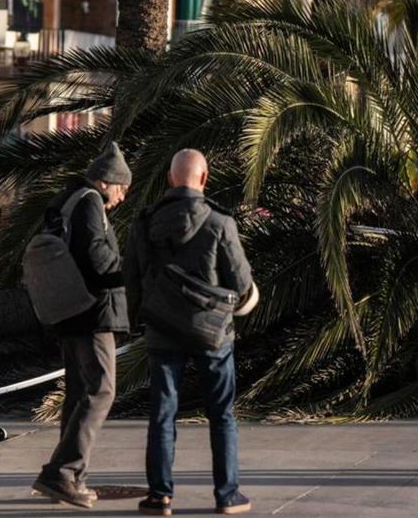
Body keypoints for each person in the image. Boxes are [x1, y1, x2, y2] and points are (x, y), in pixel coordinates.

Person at [124, 149, 254, 516]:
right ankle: (227, 495)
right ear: (204, 178)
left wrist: (138, 321)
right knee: (222, 414)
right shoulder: (219, 222)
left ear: (169, 179)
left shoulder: (144, 223)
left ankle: (159, 496)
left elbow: (131, 280)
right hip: (213, 335)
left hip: (162, 333)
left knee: (162, 414)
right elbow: (241, 283)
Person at [32, 143, 132, 508]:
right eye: (121, 188)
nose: (122, 197)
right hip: (93, 313)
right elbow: (95, 254)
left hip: (71, 312)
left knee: (78, 393)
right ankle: (62, 472)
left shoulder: (68, 199)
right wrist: (128, 273)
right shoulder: (89, 201)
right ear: (105, 182)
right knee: (102, 389)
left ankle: (70, 478)